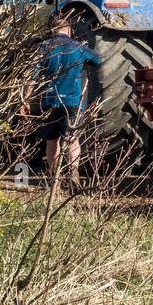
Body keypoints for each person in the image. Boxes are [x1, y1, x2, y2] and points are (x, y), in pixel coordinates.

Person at [29, 14, 101, 184]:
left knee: (52, 139)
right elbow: (97, 59)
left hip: (50, 101)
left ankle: (54, 176)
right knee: (72, 139)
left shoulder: (43, 47)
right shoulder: (78, 47)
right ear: (68, 30)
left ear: (52, 30)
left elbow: (31, 77)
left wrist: (25, 99)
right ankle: (73, 173)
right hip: (73, 102)